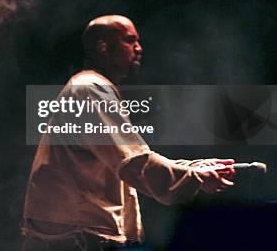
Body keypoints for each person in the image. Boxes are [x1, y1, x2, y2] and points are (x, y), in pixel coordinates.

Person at [22, 15, 235, 250]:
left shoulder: (91, 87)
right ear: (103, 47)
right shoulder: (90, 89)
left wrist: (193, 168)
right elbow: (134, 163)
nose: (139, 48)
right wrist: (196, 176)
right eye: (129, 40)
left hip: (72, 234)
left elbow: (129, 158)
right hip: (75, 236)